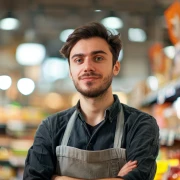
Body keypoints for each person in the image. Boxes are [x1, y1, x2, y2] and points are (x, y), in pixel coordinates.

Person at [23, 22, 159, 180]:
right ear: (70, 72)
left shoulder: (140, 125)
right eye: (79, 60)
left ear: (115, 66)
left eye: (98, 58)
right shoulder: (51, 127)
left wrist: (59, 178)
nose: (87, 66)